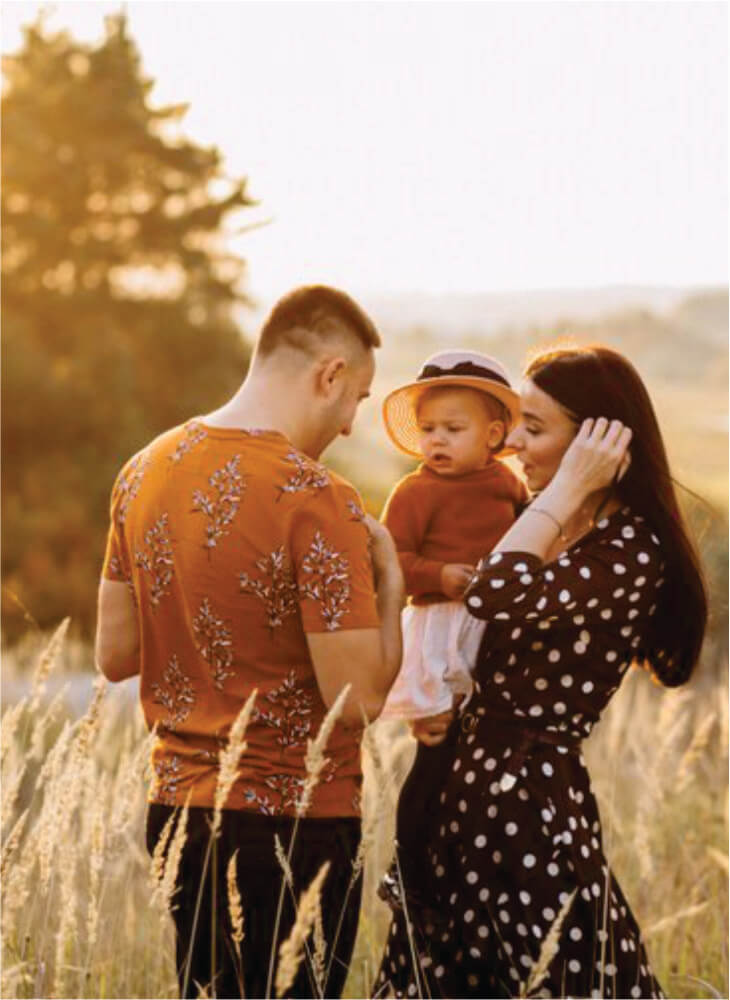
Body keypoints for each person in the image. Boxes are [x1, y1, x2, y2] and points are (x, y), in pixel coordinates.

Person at [95, 284, 405, 1000]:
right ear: (328, 374)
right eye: (357, 397)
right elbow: (355, 701)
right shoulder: (318, 499)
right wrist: (391, 591)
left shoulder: (141, 471)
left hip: (176, 814)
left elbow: (115, 656)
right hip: (295, 827)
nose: (353, 424)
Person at [375, 345, 707, 1000]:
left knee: (562, 981)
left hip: (528, 810)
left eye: (534, 427)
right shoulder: (546, 524)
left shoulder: (628, 546)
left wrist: (564, 489)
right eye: (514, 425)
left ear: (595, 442)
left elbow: (490, 592)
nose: (514, 444)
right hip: (461, 800)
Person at [375, 351, 528, 910]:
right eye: (429, 429)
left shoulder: (508, 485)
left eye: (453, 429)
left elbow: (529, 534)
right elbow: (390, 563)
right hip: (442, 628)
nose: (435, 441)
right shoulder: (416, 492)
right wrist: (439, 574)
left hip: (492, 631)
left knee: (478, 752)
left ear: (492, 435)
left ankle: (468, 865)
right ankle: (407, 868)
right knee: (436, 749)